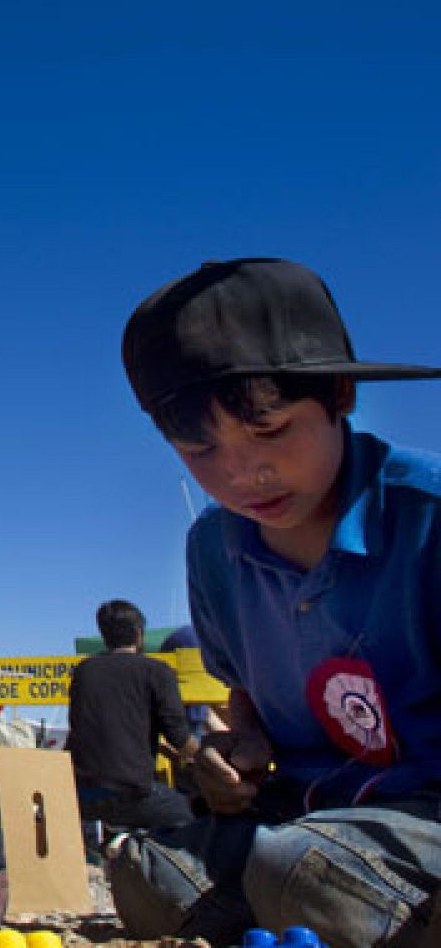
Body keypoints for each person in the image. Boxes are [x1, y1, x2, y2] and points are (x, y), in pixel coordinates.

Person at [111, 257, 441, 946]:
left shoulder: (426, 518)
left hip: (424, 815)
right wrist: (236, 753)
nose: (241, 473)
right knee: (150, 877)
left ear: (341, 394)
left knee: (299, 874)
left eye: (270, 431)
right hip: (303, 814)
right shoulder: (213, 551)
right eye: (200, 451)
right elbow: (249, 706)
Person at [67, 599, 198, 831]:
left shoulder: (83, 672)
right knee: (192, 814)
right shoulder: (157, 671)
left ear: (105, 636)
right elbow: (179, 737)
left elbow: (81, 730)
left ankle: (120, 844)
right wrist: (206, 758)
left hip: (83, 795)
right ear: (139, 634)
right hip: (132, 795)